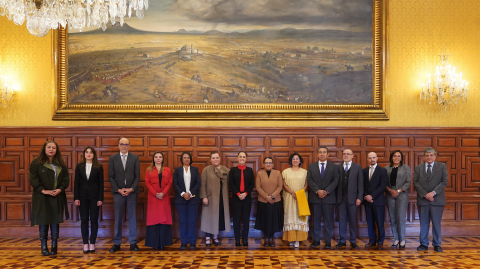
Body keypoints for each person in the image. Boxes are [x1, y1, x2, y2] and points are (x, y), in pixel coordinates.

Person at [29, 140, 70, 256]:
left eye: (54, 147)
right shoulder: (36, 163)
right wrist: (43, 190)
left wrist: (60, 189)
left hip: (57, 196)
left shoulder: (61, 164)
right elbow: (33, 179)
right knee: (43, 220)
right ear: (44, 149)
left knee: (55, 220)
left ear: (56, 150)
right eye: (49, 147)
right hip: (42, 197)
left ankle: (54, 245)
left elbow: (66, 179)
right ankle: (44, 246)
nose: (51, 149)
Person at [108, 137, 140, 253]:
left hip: (132, 192)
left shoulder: (135, 158)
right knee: (118, 218)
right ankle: (116, 243)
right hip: (118, 193)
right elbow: (110, 176)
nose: (124, 146)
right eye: (122, 144)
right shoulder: (113, 158)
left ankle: (133, 242)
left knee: (132, 218)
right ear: (118, 145)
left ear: (129, 146)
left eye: (126, 144)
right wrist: (118, 189)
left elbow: (137, 176)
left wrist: (131, 189)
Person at [414, 148, 448, 252]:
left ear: (435, 156)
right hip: (423, 200)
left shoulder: (442, 166)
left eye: (431, 155)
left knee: (436, 223)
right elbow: (416, 183)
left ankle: (437, 244)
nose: (429, 157)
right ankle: (423, 243)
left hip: (437, 200)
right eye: (427, 155)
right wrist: (425, 194)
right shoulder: (418, 168)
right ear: (424, 157)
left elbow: (444, 182)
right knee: (423, 223)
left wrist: (433, 193)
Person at [307, 146, 339, 249]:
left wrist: (326, 191)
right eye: (320, 152)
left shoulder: (334, 167)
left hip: (328, 198)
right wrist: (318, 191)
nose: (322, 154)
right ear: (317, 154)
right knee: (316, 220)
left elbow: (335, 180)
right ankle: (316, 240)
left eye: (324, 152)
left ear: (328, 154)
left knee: (329, 221)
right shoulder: (311, 166)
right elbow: (310, 180)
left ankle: (328, 241)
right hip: (315, 198)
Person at [74, 147, 104, 254]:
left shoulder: (98, 166)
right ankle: (85, 243)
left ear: (94, 154)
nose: (89, 154)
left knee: (94, 220)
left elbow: (101, 183)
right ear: (84, 154)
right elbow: (76, 183)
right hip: (82, 196)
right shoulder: (79, 166)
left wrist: (100, 198)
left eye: (91, 152)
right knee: (84, 219)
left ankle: (93, 243)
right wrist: (76, 197)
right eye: (87, 152)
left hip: (94, 196)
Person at [200, 152, 231, 247]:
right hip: (210, 198)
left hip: (222, 198)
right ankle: (208, 238)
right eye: (213, 158)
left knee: (218, 218)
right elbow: (202, 184)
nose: (215, 159)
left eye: (217, 157)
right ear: (210, 160)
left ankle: (215, 237)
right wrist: (204, 196)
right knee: (209, 218)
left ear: (220, 159)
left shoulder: (226, 169)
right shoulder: (206, 170)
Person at [144, 151, 173, 250]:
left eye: (160, 157)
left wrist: (163, 193)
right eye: (156, 157)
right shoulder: (149, 170)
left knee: (164, 221)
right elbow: (147, 182)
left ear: (162, 159)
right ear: (153, 159)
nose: (158, 158)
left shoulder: (167, 170)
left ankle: (163, 243)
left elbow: (170, 182)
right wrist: (156, 193)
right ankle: (154, 243)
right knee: (154, 220)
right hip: (154, 198)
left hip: (164, 197)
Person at [335, 149, 363, 249]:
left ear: (352, 156)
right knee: (341, 220)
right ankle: (342, 240)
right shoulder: (338, 167)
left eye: (348, 154)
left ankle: (353, 241)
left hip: (353, 198)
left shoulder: (357, 167)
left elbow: (360, 184)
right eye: (344, 154)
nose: (346, 155)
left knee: (352, 220)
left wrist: (359, 197)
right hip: (341, 198)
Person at [173, 152, 201, 250]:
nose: (186, 159)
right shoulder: (177, 170)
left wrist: (189, 193)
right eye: (184, 158)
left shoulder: (195, 169)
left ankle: (193, 242)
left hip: (193, 198)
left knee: (192, 221)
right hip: (180, 200)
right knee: (183, 221)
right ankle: (183, 242)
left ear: (190, 159)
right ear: (182, 159)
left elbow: (198, 183)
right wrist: (183, 194)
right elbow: (175, 184)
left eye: (188, 157)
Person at [385, 150, 411, 250]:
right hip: (389, 194)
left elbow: (408, 182)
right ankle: (396, 238)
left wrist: (398, 191)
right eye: (395, 156)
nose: (397, 158)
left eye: (399, 156)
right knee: (392, 217)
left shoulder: (406, 168)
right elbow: (384, 182)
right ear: (392, 157)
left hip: (402, 195)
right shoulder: (387, 168)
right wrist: (390, 190)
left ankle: (402, 240)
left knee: (400, 217)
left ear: (401, 158)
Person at [254, 157, 283, 247]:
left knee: (274, 220)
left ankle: (272, 238)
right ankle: (266, 238)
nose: (268, 164)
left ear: (273, 164)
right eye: (266, 163)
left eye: (270, 163)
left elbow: (280, 186)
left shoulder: (278, 173)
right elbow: (258, 187)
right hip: (263, 200)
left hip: (275, 200)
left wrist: (272, 196)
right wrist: (266, 196)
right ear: (263, 164)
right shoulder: (259, 173)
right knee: (264, 220)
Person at [282, 152, 309, 248]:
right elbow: (284, 184)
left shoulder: (304, 172)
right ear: (291, 161)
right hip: (289, 197)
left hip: (301, 197)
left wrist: (299, 193)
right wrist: (292, 193)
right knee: (290, 216)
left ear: (300, 161)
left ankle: (298, 239)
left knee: (299, 216)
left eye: (297, 158)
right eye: (293, 159)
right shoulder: (285, 171)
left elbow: (306, 184)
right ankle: (292, 238)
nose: (295, 160)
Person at [229, 151, 255, 247]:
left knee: (245, 220)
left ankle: (245, 240)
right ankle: (237, 240)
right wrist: (238, 194)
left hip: (247, 198)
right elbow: (231, 184)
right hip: (236, 198)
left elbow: (252, 184)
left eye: (244, 157)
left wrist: (245, 193)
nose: (242, 158)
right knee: (236, 220)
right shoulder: (233, 170)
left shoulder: (250, 170)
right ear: (237, 158)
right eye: (240, 156)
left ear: (246, 159)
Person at [363, 152, 388, 250]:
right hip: (367, 201)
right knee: (370, 222)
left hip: (378, 201)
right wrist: (366, 196)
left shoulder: (382, 171)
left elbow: (382, 186)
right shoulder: (364, 171)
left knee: (380, 222)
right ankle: (372, 241)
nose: (372, 159)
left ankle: (380, 242)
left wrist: (372, 196)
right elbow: (362, 185)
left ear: (377, 158)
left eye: (373, 157)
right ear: (367, 159)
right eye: (370, 158)